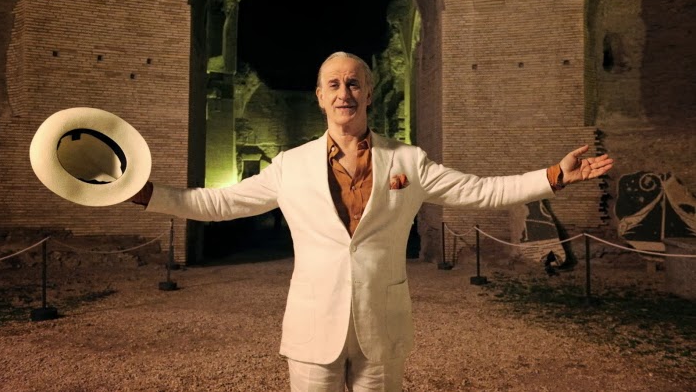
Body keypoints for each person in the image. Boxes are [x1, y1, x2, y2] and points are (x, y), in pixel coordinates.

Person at [130, 51, 613, 391]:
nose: (345, 92)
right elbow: (219, 204)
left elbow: (480, 190)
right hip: (312, 327)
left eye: (354, 83)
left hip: (381, 325)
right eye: (334, 84)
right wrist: (149, 195)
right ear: (320, 97)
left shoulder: (408, 160)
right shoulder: (289, 166)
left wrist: (554, 176)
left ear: (368, 94)